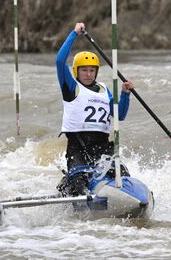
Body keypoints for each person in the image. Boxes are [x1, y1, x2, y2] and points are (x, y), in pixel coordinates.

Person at [56, 22, 135, 196]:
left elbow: (119, 115)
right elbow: (60, 61)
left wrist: (125, 94)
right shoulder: (71, 87)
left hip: (103, 147)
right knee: (78, 184)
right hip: (78, 146)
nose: (88, 74)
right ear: (76, 71)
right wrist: (74, 34)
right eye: (84, 70)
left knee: (123, 176)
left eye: (92, 70)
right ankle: (70, 186)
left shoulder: (104, 90)